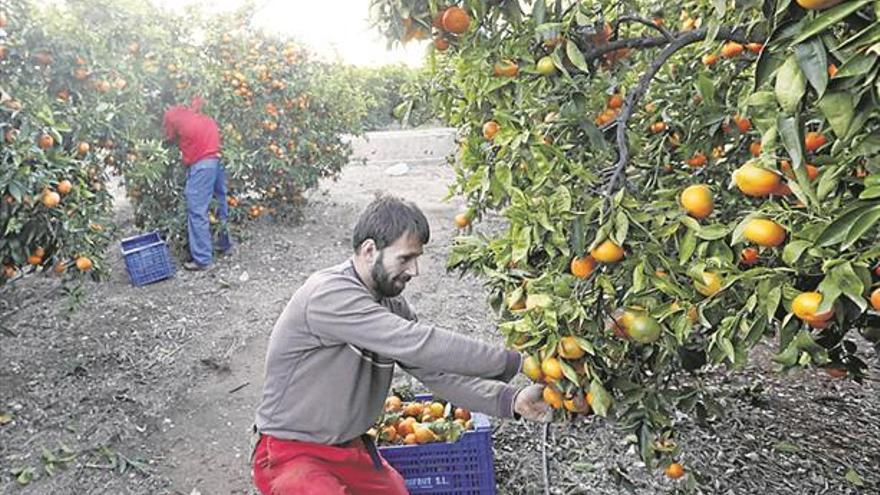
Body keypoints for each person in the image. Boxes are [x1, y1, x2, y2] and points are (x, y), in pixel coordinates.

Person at [252, 195, 552, 495]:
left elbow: (437, 373)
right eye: (405, 258)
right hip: (292, 452)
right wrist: (517, 362)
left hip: (348, 447)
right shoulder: (329, 294)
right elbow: (422, 343)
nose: (414, 270)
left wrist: (511, 399)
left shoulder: (391, 304)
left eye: (416, 258)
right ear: (370, 250)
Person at [162, 96, 232, 271]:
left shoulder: (171, 114)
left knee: (197, 210)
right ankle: (224, 245)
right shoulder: (199, 102)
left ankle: (202, 259)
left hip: (201, 164)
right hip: (217, 159)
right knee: (220, 202)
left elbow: (169, 138)